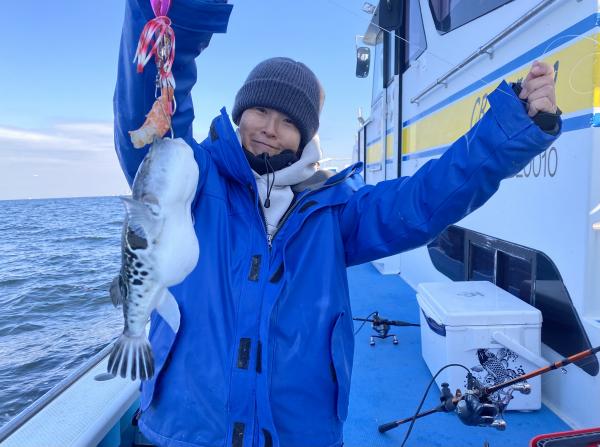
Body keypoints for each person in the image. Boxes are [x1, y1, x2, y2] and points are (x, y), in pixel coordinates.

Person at [113, 1, 561, 446]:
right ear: (239, 113)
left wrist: (510, 127)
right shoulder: (193, 178)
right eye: (261, 111)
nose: (270, 128)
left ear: (305, 136)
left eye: (289, 121)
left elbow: (426, 199)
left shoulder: (336, 209)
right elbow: (148, 118)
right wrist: (176, 14)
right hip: (182, 432)